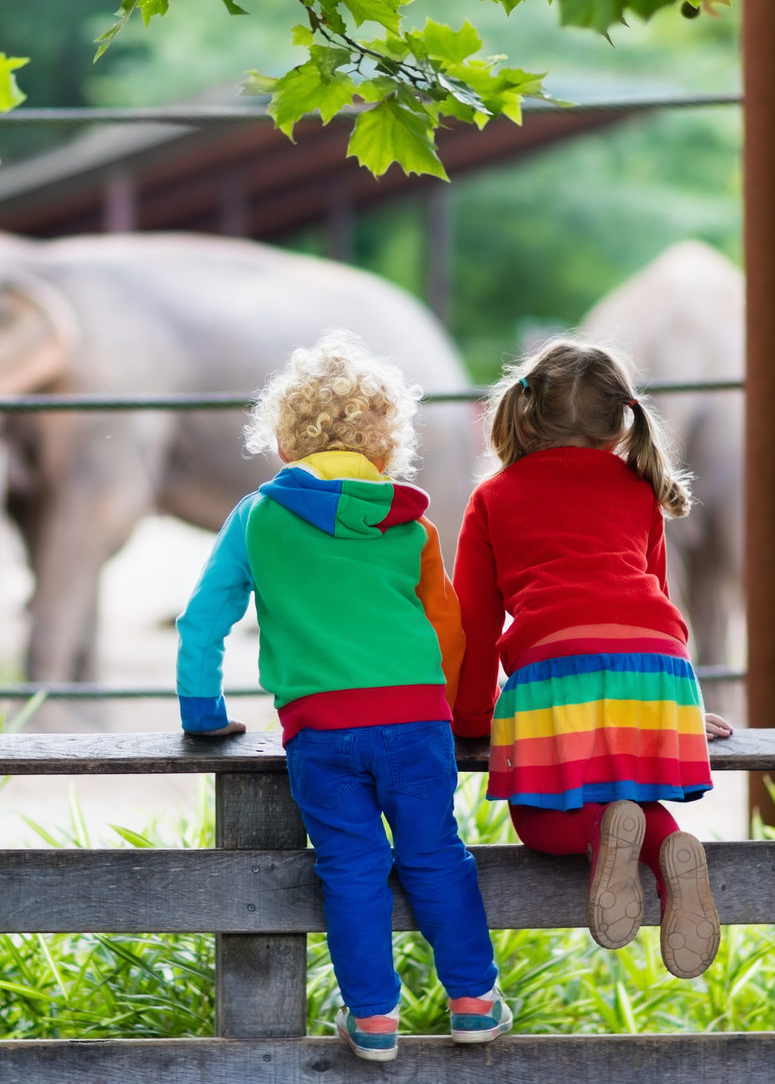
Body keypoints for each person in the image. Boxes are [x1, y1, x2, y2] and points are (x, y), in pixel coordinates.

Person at [175, 331, 510, 1061]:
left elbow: (204, 619)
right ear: (386, 441)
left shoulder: (260, 516)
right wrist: (454, 714)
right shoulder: (408, 522)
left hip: (321, 730)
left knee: (351, 867)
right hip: (419, 721)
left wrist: (203, 716)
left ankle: (375, 1020)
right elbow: (446, 623)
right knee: (435, 856)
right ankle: (476, 1003)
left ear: (285, 435)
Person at [451, 337, 735, 980]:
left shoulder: (494, 498)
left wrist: (470, 718)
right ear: (618, 424)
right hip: (660, 675)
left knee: (540, 821)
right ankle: (668, 852)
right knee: (632, 799)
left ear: (524, 414)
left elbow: (473, 619)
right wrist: (685, 708)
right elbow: (653, 604)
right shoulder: (641, 490)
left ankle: (600, 832)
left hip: (556, 667)